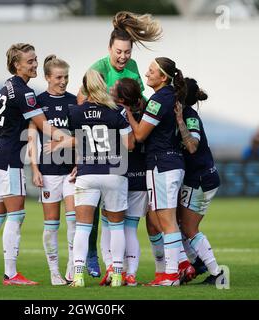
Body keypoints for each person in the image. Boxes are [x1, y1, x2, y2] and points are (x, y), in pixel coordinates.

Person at [0, 43, 71, 286]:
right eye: (30, 61)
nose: (35, 64)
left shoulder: (6, 86)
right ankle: (10, 274)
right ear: (17, 65)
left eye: (36, 60)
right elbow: (45, 127)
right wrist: (73, 140)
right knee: (16, 216)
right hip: (7, 159)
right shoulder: (24, 91)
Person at [79, 11, 162, 278]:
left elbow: (140, 101)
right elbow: (80, 104)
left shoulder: (134, 67)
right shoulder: (98, 69)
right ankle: (91, 254)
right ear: (109, 49)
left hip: (125, 146)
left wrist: (132, 108)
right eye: (118, 51)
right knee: (91, 209)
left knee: (119, 218)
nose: (123, 57)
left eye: (127, 52)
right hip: (99, 145)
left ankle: (122, 271)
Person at [64, 69, 134, 287]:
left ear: (85, 87)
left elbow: (79, 140)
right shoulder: (117, 112)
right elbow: (130, 145)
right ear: (103, 85)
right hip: (114, 173)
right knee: (116, 226)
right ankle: (117, 275)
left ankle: (77, 275)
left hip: (87, 174)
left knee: (83, 228)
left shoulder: (74, 112)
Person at [125, 57, 186, 286]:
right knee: (166, 220)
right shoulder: (172, 96)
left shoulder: (158, 99)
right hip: (173, 163)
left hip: (161, 164)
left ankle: (171, 274)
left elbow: (140, 135)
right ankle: (172, 271)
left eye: (151, 71)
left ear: (163, 77)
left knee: (166, 221)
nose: (147, 74)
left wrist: (127, 113)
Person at [27, 55, 77, 285]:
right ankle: (54, 271)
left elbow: (82, 136)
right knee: (51, 225)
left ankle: (71, 267)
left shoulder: (75, 101)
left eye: (66, 76)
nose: (63, 81)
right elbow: (31, 138)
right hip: (47, 172)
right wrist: (35, 169)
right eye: (58, 77)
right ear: (47, 77)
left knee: (74, 220)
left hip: (70, 172)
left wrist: (79, 164)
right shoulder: (37, 103)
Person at [174, 77, 225, 285]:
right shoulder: (183, 113)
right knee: (177, 223)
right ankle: (197, 262)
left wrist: (179, 121)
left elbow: (193, 145)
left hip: (201, 179)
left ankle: (217, 273)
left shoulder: (189, 115)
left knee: (188, 228)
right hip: (196, 178)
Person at [98, 78, 148, 287]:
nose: (109, 88)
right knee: (129, 229)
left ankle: (112, 267)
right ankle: (130, 274)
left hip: (118, 176)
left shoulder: (112, 114)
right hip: (141, 179)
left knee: (108, 226)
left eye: (114, 87)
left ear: (120, 97)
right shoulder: (145, 116)